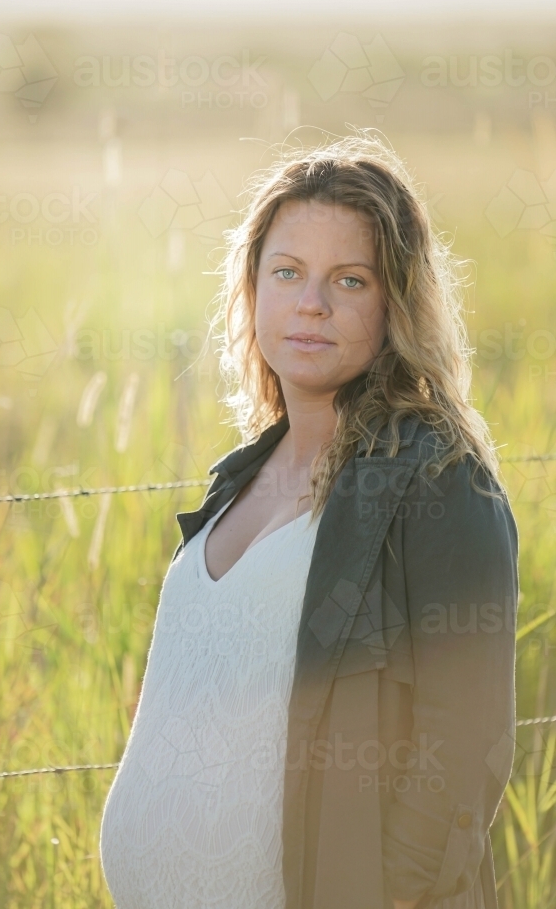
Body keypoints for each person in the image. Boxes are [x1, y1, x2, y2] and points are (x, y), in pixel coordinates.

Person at [99, 131, 519, 909]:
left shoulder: (437, 478)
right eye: (287, 272)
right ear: (252, 287)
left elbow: (464, 742)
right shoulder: (239, 476)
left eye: (349, 280)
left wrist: (389, 892)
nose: (311, 304)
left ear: (395, 303)